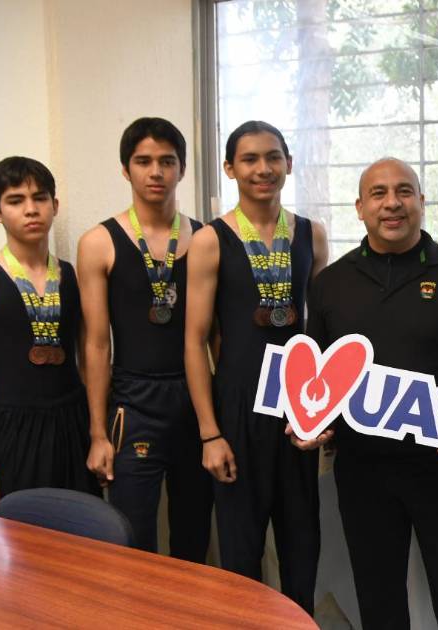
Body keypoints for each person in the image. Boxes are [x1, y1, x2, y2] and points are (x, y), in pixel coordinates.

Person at [289, 157, 438, 630]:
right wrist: (311, 423)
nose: (392, 203)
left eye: (404, 191)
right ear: (360, 207)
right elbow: (316, 374)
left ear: (421, 201)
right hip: (363, 469)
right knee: (378, 598)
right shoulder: (330, 285)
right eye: (379, 193)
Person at [183, 120, 329, 611]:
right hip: (238, 404)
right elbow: (194, 341)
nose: (263, 169)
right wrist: (210, 433)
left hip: (297, 406)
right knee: (241, 549)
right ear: (230, 168)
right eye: (249, 159)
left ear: (289, 163)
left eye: (273, 157)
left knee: (302, 543)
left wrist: (323, 412)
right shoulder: (211, 239)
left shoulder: (311, 234)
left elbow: (321, 329)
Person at [77, 117, 213, 559]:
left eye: (167, 161)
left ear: (182, 169)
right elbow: (96, 344)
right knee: (132, 537)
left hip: (194, 399)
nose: (156, 172)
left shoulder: (206, 238)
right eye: (143, 161)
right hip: (133, 403)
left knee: (195, 533)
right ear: (126, 169)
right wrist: (98, 432)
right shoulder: (99, 242)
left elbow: (217, 336)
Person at [0, 156, 98, 509]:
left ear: (54, 206)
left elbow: (91, 353)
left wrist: (97, 431)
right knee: (16, 531)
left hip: (74, 422)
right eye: (15, 200)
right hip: (13, 427)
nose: (31, 209)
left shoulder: (72, 276)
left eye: (39, 198)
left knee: (80, 530)